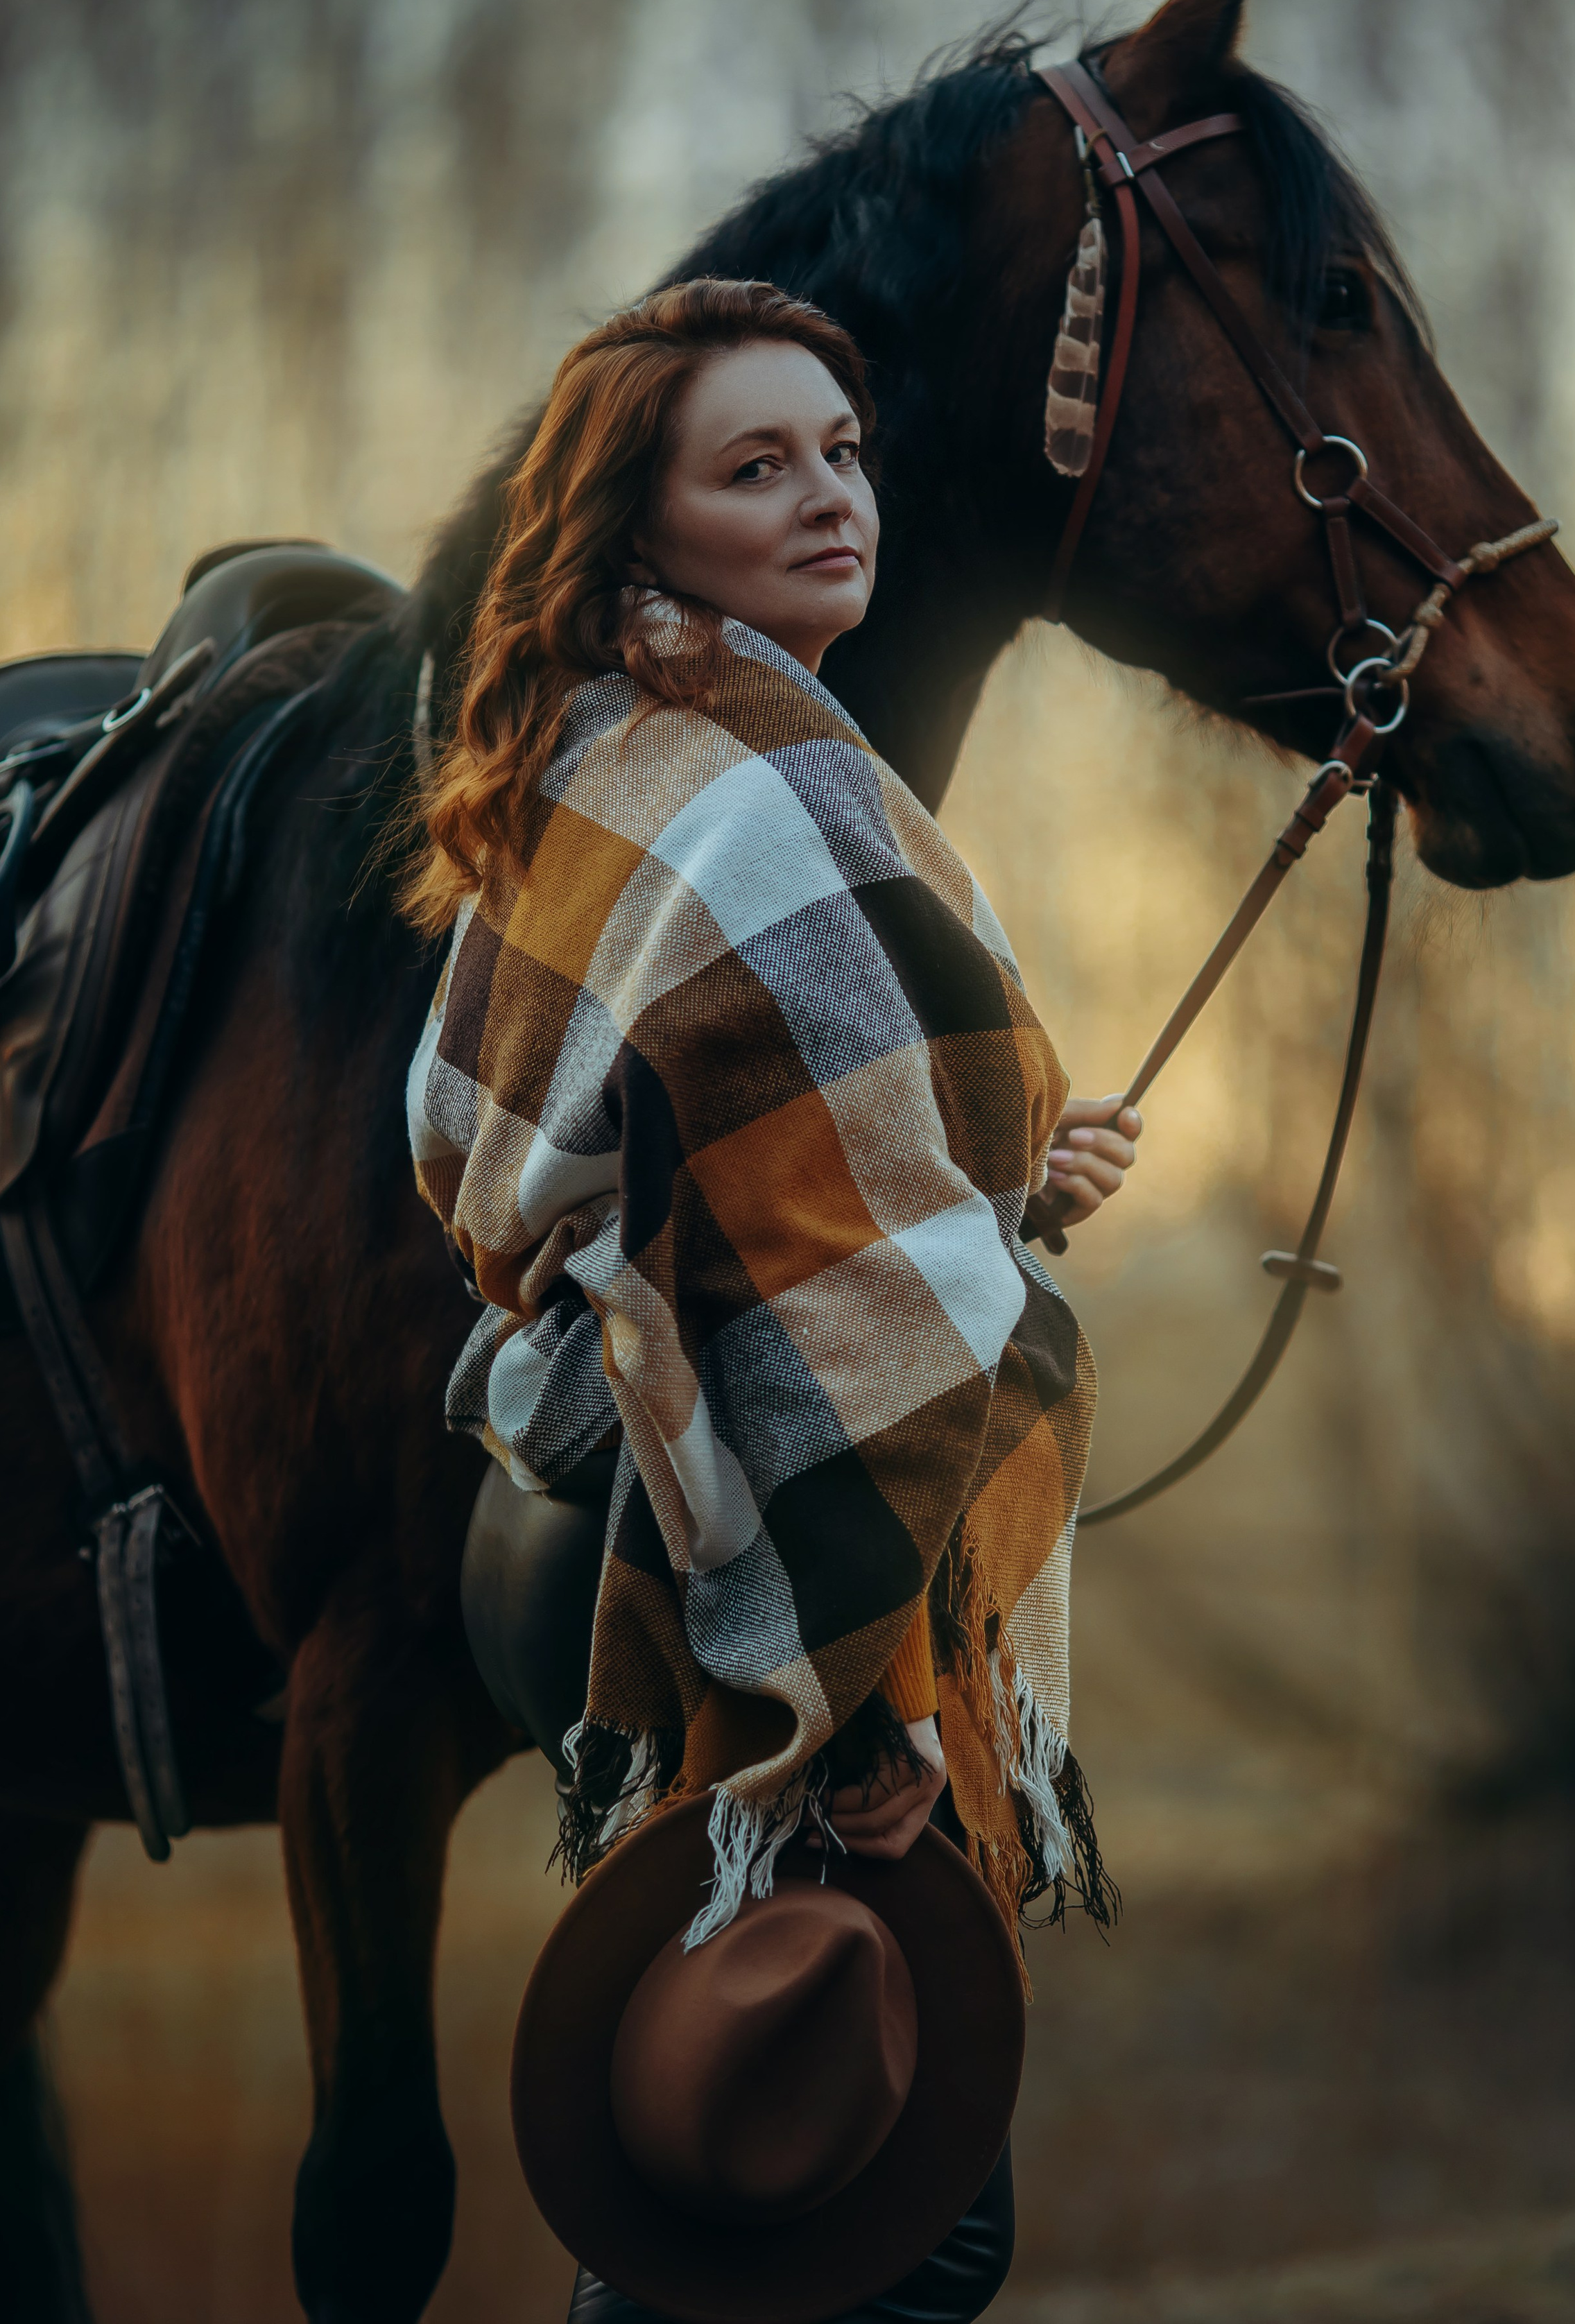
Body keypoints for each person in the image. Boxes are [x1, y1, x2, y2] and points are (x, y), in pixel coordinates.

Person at [404, 277, 1140, 2322]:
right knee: (875, 2213)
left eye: (843, 451)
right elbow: (825, 1303)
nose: (831, 500)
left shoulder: (592, 758)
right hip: (800, 1588)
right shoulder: (787, 800)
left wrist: (1000, 1178)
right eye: (756, 467)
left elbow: (654, 1171)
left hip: (635, 1533)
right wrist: (867, 1698)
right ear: (641, 532)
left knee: (714, 2145)